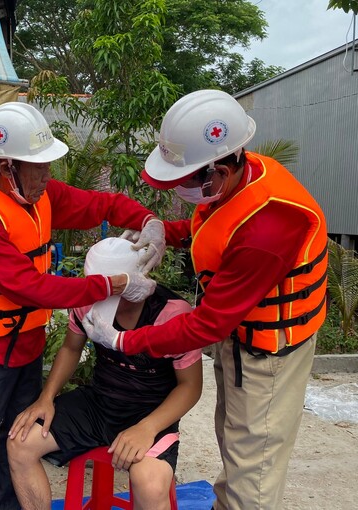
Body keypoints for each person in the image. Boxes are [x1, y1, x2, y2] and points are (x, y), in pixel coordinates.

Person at [83, 89, 328, 510]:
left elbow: (208, 325)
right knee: (233, 437)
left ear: (220, 166)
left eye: (188, 179)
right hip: (242, 337)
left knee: (256, 462)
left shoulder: (270, 226)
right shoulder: (238, 178)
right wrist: (165, 233)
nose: (180, 188)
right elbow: (216, 232)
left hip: (269, 353)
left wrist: (126, 341)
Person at [0, 102, 167, 510]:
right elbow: (28, 286)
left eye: (48, 165)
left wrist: (148, 219)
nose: (48, 175)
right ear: (7, 166)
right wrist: (113, 283)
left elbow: (102, 205)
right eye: (38, 166)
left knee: (16, 436)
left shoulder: (42, 194)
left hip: (28, 343)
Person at [6, 237, 202, 510]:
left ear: (137, 282)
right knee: (20, 442)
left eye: (114, 289)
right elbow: (71, 348)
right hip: (99, 403)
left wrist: (147, 428)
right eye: (98, 289)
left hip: (152, 412)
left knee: (150, 481)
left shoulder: (172, 313)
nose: (101, 298)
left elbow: (190, 386)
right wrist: (46, 398)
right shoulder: (87, 301)